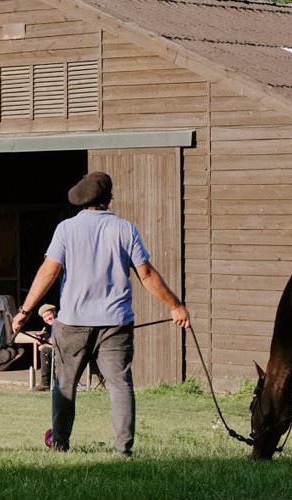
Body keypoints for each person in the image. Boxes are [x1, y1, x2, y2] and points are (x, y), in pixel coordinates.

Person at [10, 171, 190, 457]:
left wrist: (24, 311)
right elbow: (146, 274)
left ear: (81, 200)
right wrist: (175, 306)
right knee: (120, 386)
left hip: (73, 323)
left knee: (65, 384)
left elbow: (49, 272)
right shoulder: (126, 230)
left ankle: (60, 442)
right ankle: (122, 450)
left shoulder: (66, 229)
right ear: (109, 199)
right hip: (116, 323)